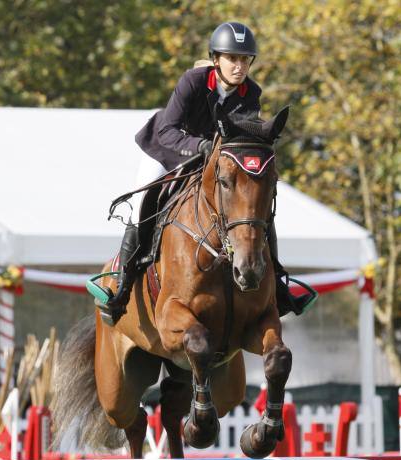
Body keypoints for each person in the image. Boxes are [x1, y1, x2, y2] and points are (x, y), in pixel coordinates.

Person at [98, 21, 311, 325]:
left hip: (213, 160)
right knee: (144, 197)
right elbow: (168, 131)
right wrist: (199, 147)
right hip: (168, 151)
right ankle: (122, 283)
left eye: (245, 60)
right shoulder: (193, 82)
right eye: (233, 59)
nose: (240, 67)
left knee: (257, 204)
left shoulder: (251, 92)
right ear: (216, 60)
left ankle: (277, 284)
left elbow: (245, 133)